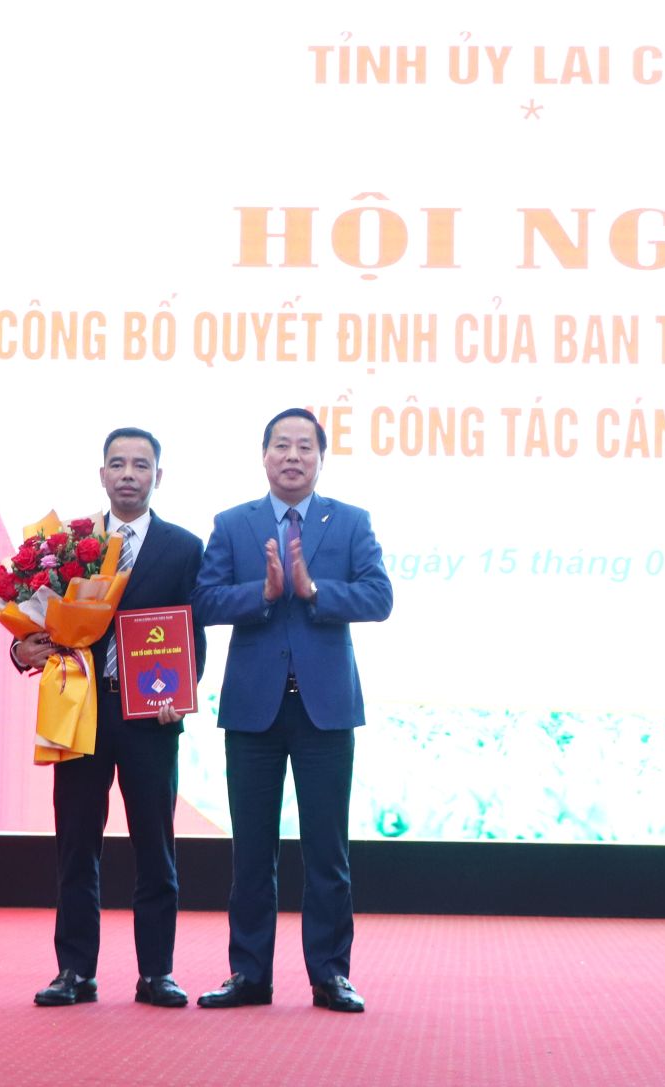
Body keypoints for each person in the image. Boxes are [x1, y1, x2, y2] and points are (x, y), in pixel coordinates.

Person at [191, 408, 393, 1014]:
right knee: (252, 853)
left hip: (324, 711)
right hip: (253, 711)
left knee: (327, 852)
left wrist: (313, 591)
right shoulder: (233, 524)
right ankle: (249, 974)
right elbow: (204, 600)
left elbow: (379, 597)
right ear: (264, 455)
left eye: (305, 447)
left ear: (321, 459)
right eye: (282, 445)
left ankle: (330, 975)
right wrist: (263, 594)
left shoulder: (350, 522)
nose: (293, 457)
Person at [11, 427, 206, 1009]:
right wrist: (21, 650)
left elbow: (193, 633)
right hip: (81, 711)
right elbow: (35, 618)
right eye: (117, 464)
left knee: (156, 847)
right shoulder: (68, 545)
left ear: (157, 476)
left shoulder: (184, 547)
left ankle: (157, 973)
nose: (128, 474)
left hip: (150, 718)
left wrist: (183, 693)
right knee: (76, 843)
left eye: (140, 465)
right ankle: (75, 971)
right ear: (102, 474)